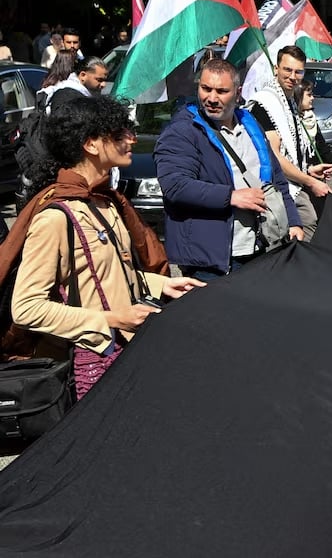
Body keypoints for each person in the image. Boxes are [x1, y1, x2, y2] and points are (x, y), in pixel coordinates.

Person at [10, 96, 203, 397]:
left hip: (127, 356)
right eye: (118, 135)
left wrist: (162, 284)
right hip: (88, 369)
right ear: (90, 145)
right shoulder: (55, 217)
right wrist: (109, 320)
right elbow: (26, 308)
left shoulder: (107, 203)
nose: (131, 139)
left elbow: (108, 274)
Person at [155, 59, 303, 280]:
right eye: (206, 89)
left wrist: (293, 221)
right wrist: (230, 196)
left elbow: (277, 180)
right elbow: (175, 186)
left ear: (237, 92)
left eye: (222, 91)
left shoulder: (250, 122)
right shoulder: (183, 131)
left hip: (261, 249)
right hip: (212, 262)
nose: (212, 98)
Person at [247, 46, 332, 240]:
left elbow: (291, 150)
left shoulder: (290, 101)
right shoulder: (265, 103)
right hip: (279, 189)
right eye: (287, 70)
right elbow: (274, 156)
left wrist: (309, 170)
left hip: (295, 183)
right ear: (276, 68)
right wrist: (309, 181)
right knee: (306, 225)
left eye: (298, 72)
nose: (292, 76)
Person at [38, 56, 108, 110]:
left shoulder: (86, 95)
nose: (103, 85)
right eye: (99, 80)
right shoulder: (67, 97)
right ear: (83, 75)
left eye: (105, 80)